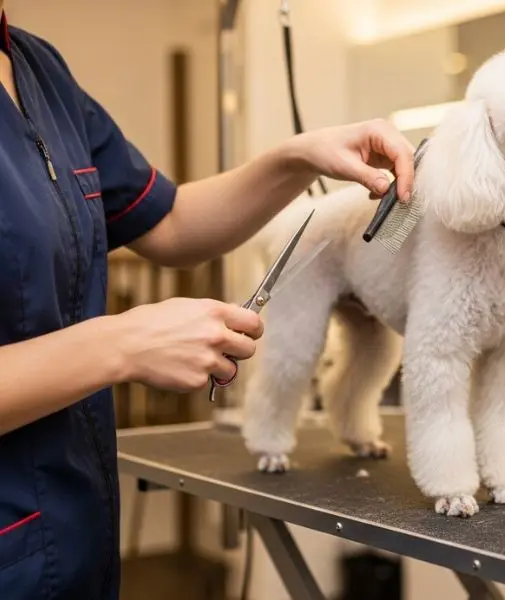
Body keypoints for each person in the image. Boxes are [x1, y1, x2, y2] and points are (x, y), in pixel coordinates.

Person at [0, 8, 415, 600]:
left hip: (74, 538)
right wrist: (121, 344)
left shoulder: (37, 68)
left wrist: (297, 157)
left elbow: (167, 220)